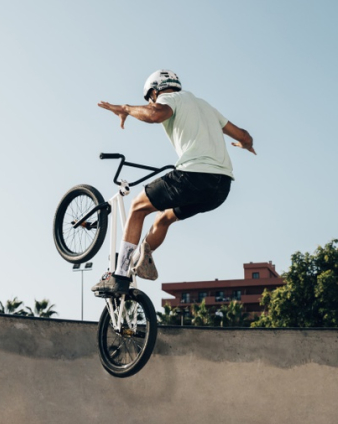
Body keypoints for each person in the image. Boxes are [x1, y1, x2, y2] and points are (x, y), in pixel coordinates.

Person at [92, 70, 256, 294]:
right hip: (221, 187)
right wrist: (244, 145)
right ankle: (142, 258)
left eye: (151, 98)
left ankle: (119, 275)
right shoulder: (205, 106)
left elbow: (156, 114)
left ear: (155, 91)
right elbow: (245, 136)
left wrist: (127, 109)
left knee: (138, 207)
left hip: (194, 175)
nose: (152, 101)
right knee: (165, 218)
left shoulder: (169, 98)